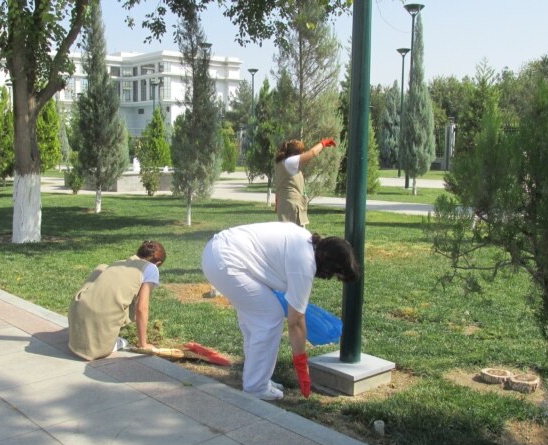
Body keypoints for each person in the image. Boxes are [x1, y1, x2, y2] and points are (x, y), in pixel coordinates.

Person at [201, 222, 360, 400]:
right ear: (330, 266)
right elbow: (296, 321)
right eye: (334, 276)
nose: (328, 278)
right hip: (228, 262)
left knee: (255, 322)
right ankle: (256, 387)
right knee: (270, 317)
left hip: (217, 253)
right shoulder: (304, 264)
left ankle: (257, 378)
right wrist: (301, 364)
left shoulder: (303, 239)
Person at [68, 240, 167, 361]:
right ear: (158, 263)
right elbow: (142, 308)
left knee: (102, 267)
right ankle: (104, 340)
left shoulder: (118, 263)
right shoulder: (151, 268)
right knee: (122, 342)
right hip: (94, 350)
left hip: (75, 327)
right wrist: (143, 344)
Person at [273, 138, 337, 227]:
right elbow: (312, 153)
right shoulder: (290, 162)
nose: (304, 155)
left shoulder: (283, 163)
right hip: (292, 206)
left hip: (286, 205)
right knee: (295, 236)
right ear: (296, 153)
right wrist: (323, 143)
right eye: (302, 152)